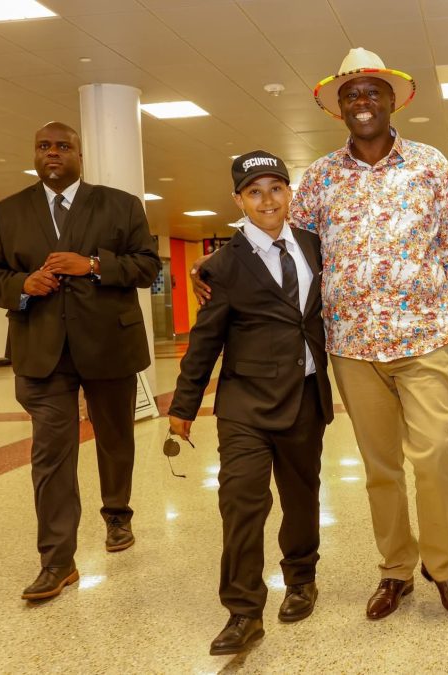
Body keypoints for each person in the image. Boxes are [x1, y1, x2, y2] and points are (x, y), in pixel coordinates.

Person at [191, 48, 448, 623]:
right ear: (339, 108)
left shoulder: (429, 164)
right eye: (352, 94)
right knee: (381, 469)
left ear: (392, 99)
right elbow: (287, 240)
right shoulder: (321, 177)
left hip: (423, 338)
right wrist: (217, 262)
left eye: (373, 91)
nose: (363, 101)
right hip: (349, 347)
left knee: (437, 457)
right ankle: (396, 569)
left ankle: (442, 567)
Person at [0, 121, 159, 600]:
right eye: (43, 146)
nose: (52, 152)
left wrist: (94, 265)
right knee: (51, 454)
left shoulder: (120, 204)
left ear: (80, 153)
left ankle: (117, 515)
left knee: (115, 440)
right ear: (35, 154)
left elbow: (147, 266)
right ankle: (57, 562)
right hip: (41, 351)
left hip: (109, 347)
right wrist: (21, 286)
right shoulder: (6, 211)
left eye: (63, 145)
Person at [168, 152, 333, 655]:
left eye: (276, 189)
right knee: (241, 502)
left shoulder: (313, 245)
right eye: (255, 191)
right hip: (245, 404)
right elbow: (204, 341)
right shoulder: (221, 265)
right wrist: (184, 405)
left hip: (304, 394)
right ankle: (243, 611)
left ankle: (301, 578)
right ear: (238, 200)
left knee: (302, 494)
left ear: (290, 194)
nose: (268, 200)